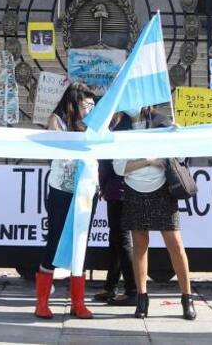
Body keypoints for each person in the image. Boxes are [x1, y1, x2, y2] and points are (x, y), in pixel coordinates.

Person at [114, 108, 196, 321]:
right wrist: (149, 160)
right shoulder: (121, 126)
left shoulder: (161, 120)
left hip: (162, 190)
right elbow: (119, 167)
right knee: (139, 245)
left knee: (175, 244)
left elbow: (180, 156)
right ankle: (142, 299)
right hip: (134, 190)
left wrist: (178, 136)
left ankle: (187, 298)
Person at [35, 82, 98, 320]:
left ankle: (77, 302)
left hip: (86, 191)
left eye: (93, 105)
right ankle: (42, 302)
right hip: (62, 189)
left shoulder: (94, 126)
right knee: (55, 242)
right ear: (74, 102)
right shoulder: (57, 121)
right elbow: (55, 148)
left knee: (80, 243)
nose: (90, 109)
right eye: (86, 104)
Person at [94, 111, 137, 305]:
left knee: (122, 239)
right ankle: (110, 286)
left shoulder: (126, 127)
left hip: (122, 190)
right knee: (115, 240)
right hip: (112, 189)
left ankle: (132, 290)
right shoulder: (112, 126)